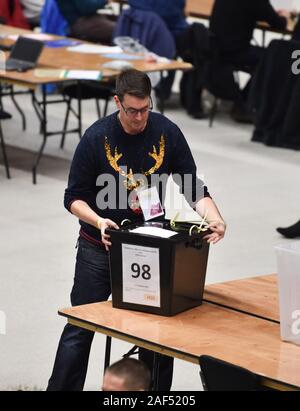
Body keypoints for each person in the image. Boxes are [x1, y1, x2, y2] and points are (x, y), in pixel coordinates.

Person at [47, 69, 226, 391]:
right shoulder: (96, 137)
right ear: (117, 102)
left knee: (157, 333)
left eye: (146, 109)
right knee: (80, 327)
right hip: (98, 248)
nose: (140, 118)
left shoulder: (167, 132)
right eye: (132, 111)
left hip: (150, 249)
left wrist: (215, 217)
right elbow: (73, 198)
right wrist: (99, 220)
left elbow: (191, 184)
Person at [210, 0, 291, 123]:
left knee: (265, 58)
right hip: (236, 51)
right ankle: (244, 105)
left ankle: (242, 102)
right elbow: (278, 24)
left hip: (214, 48)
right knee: (272, 60)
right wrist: (285, 17)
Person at [128, 0, 207, 119]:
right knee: (198, 38)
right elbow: (174, 14)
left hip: (142, 32)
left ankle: (164, 91)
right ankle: (191, 101)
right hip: (166, 34)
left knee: (195, 36)